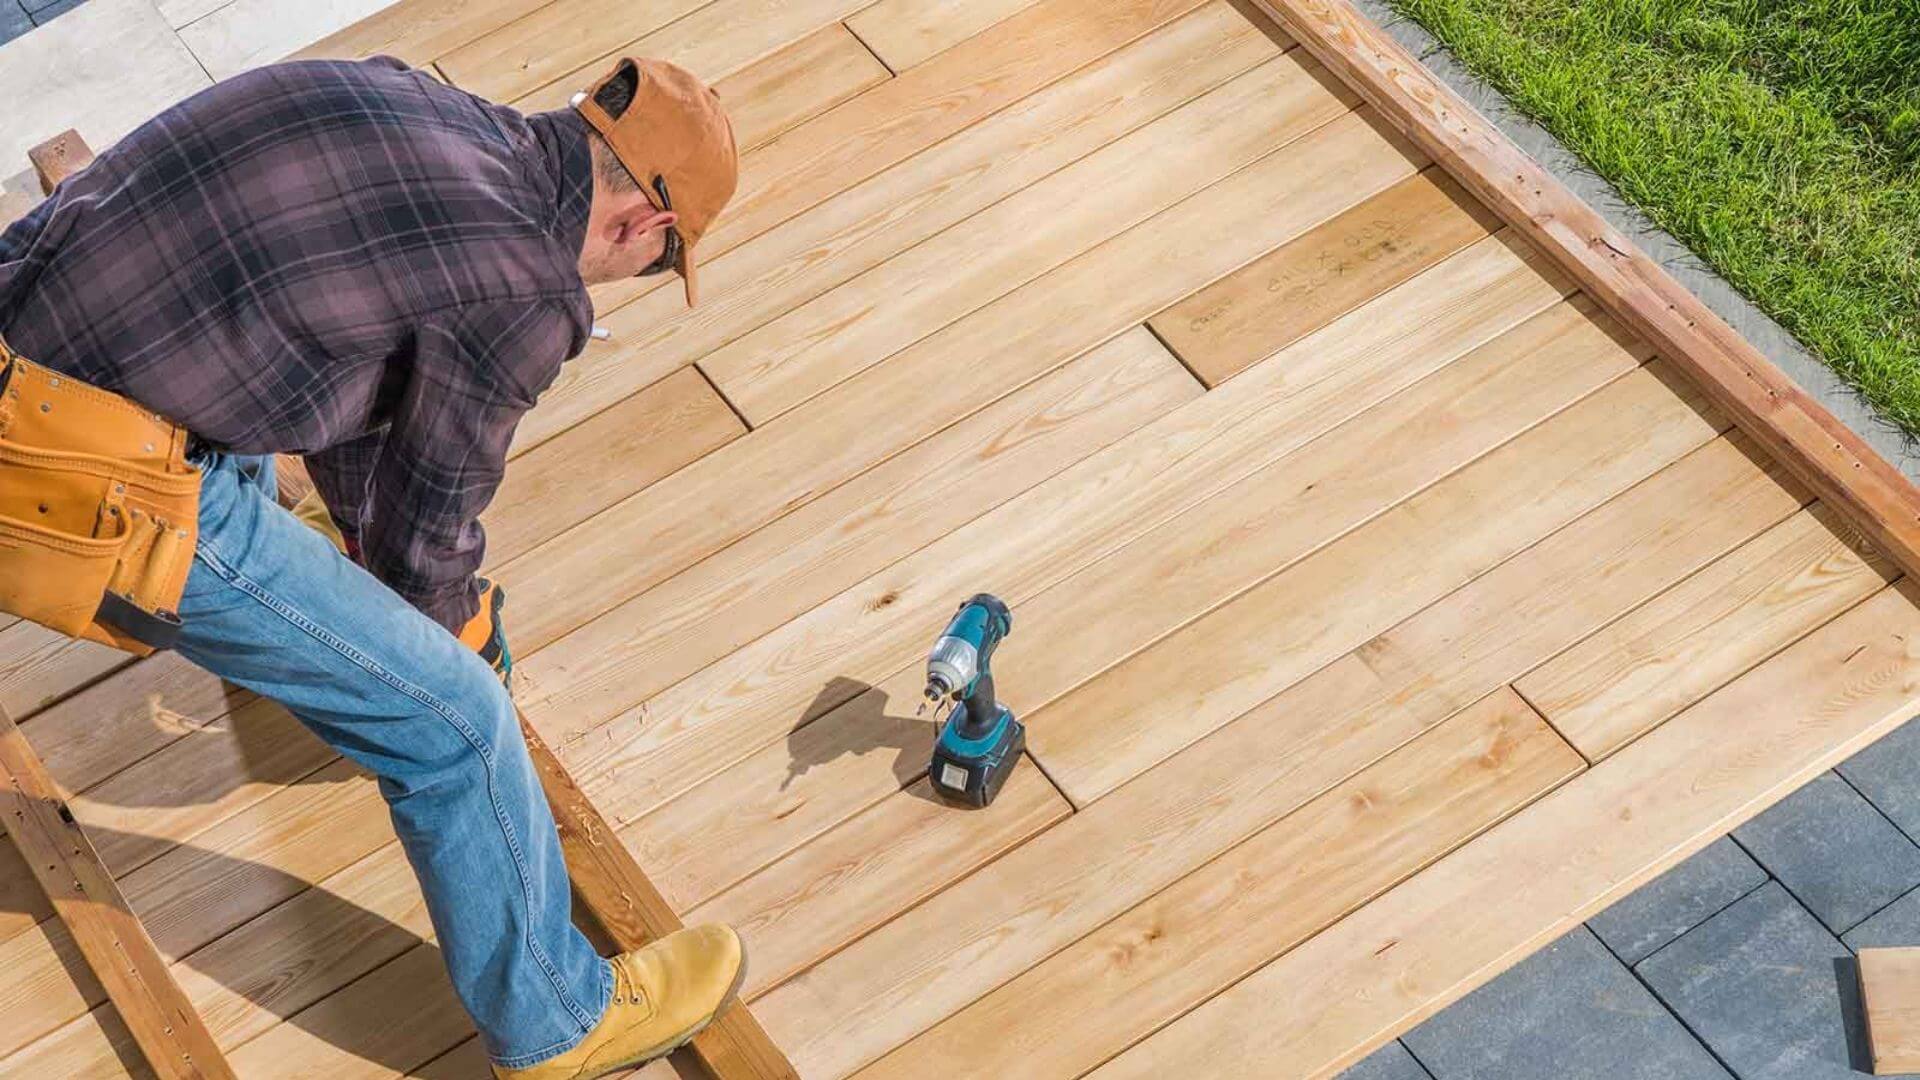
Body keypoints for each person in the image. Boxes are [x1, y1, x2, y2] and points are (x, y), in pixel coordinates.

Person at [0, 51, 742, 1080]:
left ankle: (290, 646)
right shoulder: (524, 284)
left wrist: (379, 584)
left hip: (36, 324)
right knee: (455, 729)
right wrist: (450, 634)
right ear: (640, 227)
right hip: (66, 473)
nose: (629, 278)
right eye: (654, 268)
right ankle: (558, 1022)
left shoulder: (409, 95)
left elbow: (355, 386)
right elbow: (434, 514)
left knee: (272, 402)